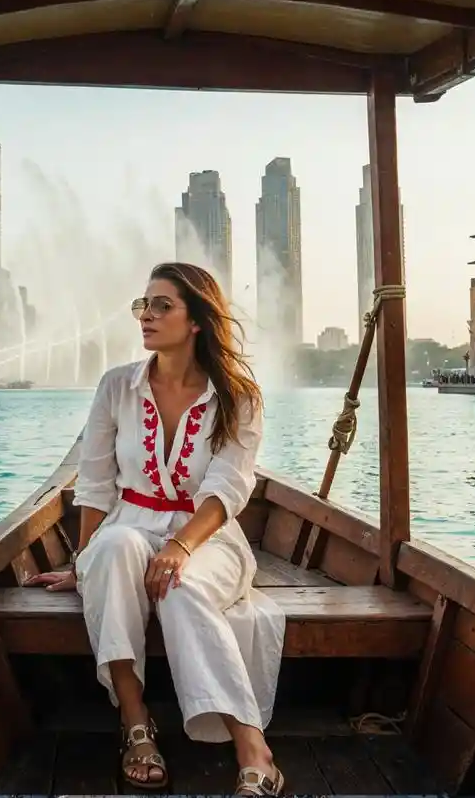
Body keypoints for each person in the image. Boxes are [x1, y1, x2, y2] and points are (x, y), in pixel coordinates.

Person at [26, 262, 285, 796]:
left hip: (208, 537)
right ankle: (135, 721)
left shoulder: (238, 395)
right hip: (127, 523)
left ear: (197, 320)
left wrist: (179, 546)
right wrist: (85, 566)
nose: (147, 315)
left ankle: (252, 746)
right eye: (143, 305)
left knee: (180, 582)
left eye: (163, 305)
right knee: (115, 548)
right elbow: (95, 485)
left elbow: (228, 489)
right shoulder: (117, 386)